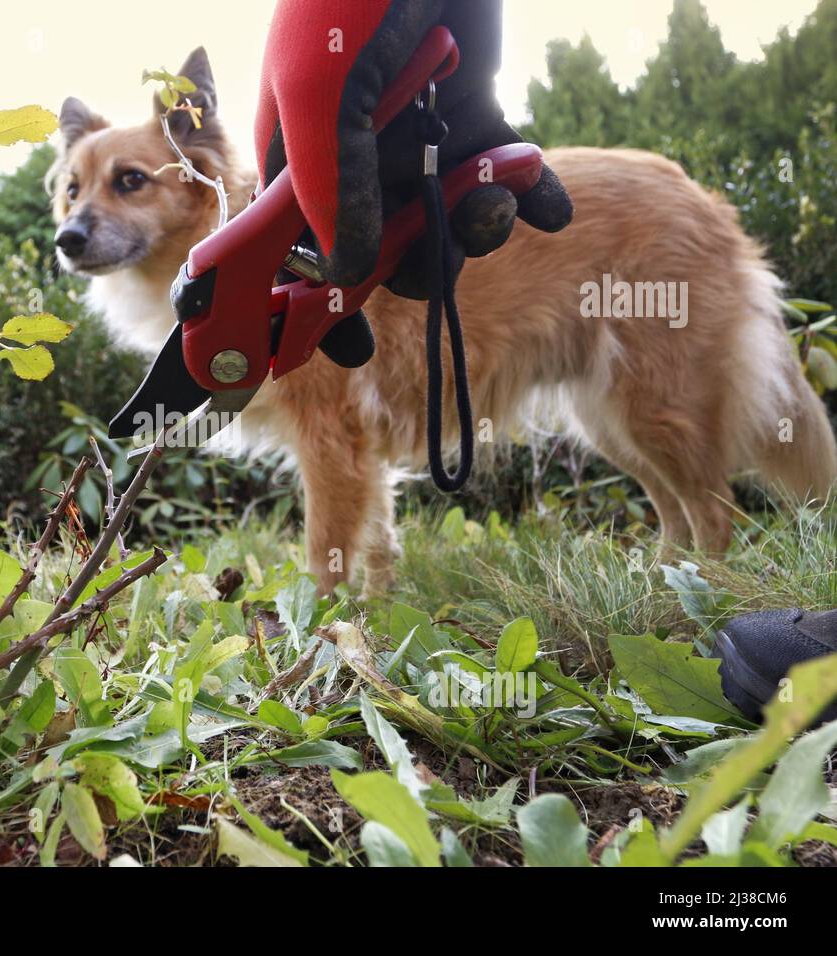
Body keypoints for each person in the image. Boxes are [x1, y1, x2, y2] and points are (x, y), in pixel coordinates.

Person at [256, 0, 836, 723]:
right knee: (622, 428)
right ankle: (686, 559)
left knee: (656, 417)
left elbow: (337, 442)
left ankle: (707, 569)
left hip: (640, 230)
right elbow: (351, 444)